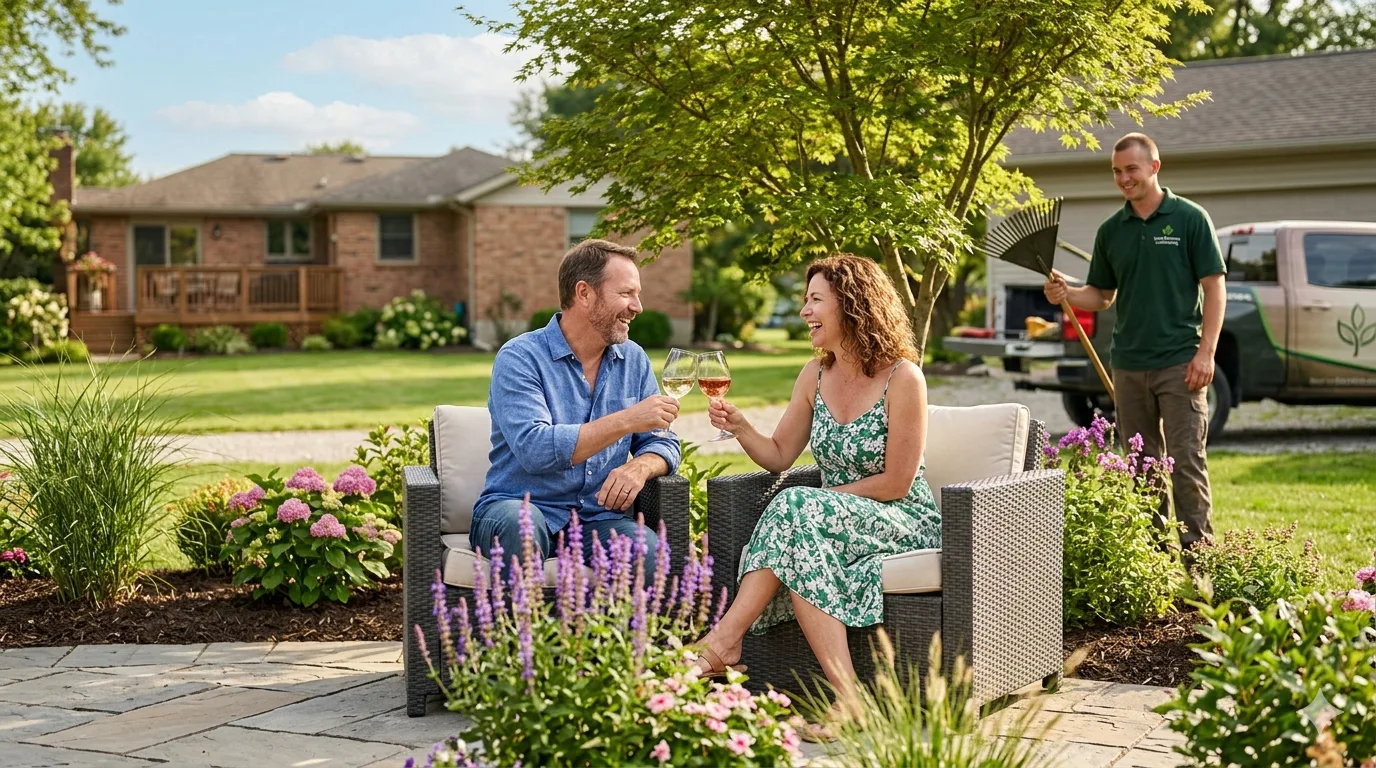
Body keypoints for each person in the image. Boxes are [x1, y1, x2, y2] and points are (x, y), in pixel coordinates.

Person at [691, 254, 942, 741]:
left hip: (903, 518)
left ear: (852, 305)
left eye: (815, 300)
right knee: (801, 526)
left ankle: (724, 640)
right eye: (805, 300)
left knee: (797, 509)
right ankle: (850, 701)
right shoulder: (814, 374)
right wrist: (741, 426)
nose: (805, 311)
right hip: (832, 522)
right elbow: (780, 455)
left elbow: (897, 482)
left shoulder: (903, 377)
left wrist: (819, 504)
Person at [1044, 132, 1226, 555]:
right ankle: (1152, 562)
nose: (1124, 178)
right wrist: (1067, 292)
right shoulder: (1112, 231)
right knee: (1142, 468)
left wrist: (1207, 353)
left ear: (1154, 167)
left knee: (1185, 463)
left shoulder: (1190, 219)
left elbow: (1215, 289)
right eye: (1117, 171)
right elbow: (1101, 295)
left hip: (1180, 360)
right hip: (1127, 364)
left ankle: (1199, 565)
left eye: (1132, 169)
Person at [470, 238, 682, 579]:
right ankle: (524, 633)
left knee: (648, 551)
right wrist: (628, 419)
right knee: (521, 525)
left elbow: (664, 441)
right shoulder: (521, 357)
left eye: (637, 294)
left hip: (599, 521)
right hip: (519, 508)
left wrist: (640, 467)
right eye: (626, 293)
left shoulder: (634, 360)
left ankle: (631, 635)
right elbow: (535, 449)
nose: (637, 306)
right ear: (584, 293)